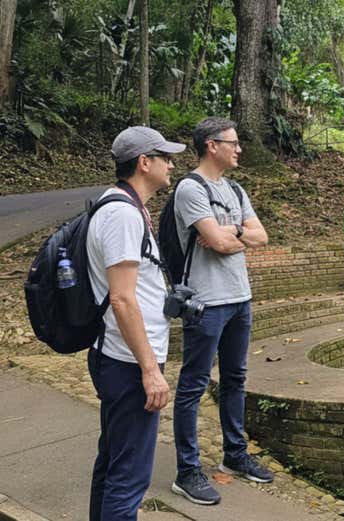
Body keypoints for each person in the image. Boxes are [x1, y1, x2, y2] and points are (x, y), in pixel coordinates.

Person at [87, 126, 186, 520]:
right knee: (129, 478)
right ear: (144, 163)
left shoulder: (119, 207)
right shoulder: (123, 215)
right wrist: (150, 370)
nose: (172, 164)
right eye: (165, 157)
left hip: (118, 355)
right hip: (128, 362)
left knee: (113, 465)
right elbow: (123, 298)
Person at [171, 117, 271, 506]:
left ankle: (234, 454)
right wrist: (230, 236)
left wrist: (233, 235)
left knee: (235, 378)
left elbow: (259, 236)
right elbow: (216, 241)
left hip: (239, 297)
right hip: (206, 301)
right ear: (212, 145)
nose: (239, 149)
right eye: (233, 143)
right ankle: (187, 470)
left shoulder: (234, 188)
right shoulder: (189, 189)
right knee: (193, 384)